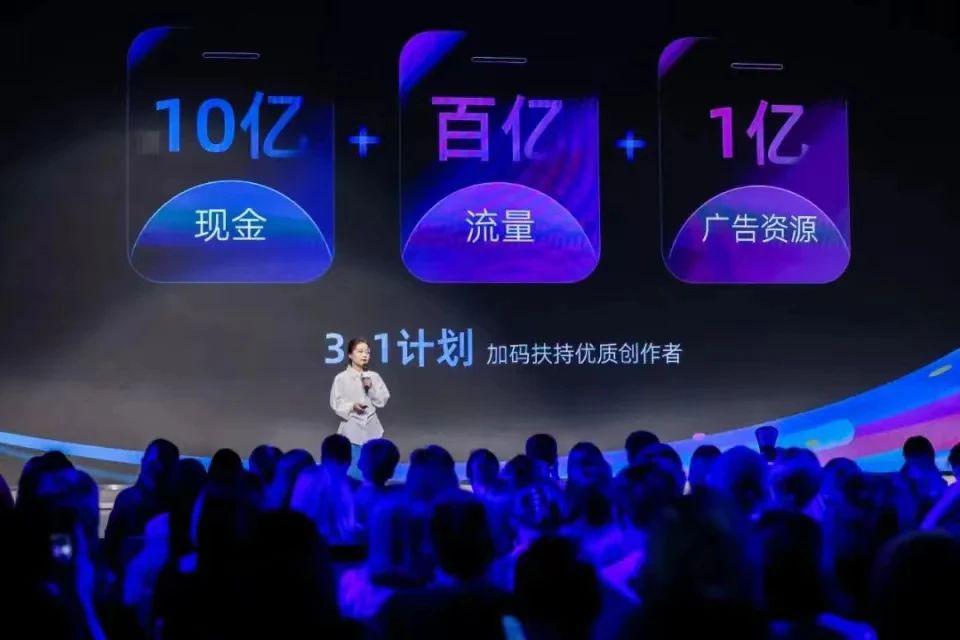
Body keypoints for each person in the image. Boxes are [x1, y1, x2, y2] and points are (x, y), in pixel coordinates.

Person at [330, 338, 391, 477]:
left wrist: (371, 388)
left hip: (372, 429)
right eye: (360, 351)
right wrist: (352, 406)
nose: (365, 355)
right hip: (351, 430)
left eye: (367, 352)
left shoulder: (374, 376)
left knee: (374, 471)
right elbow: (336, 403)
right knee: (353, 471)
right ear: (350, 355)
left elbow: (382, 400)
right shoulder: (341, 378)